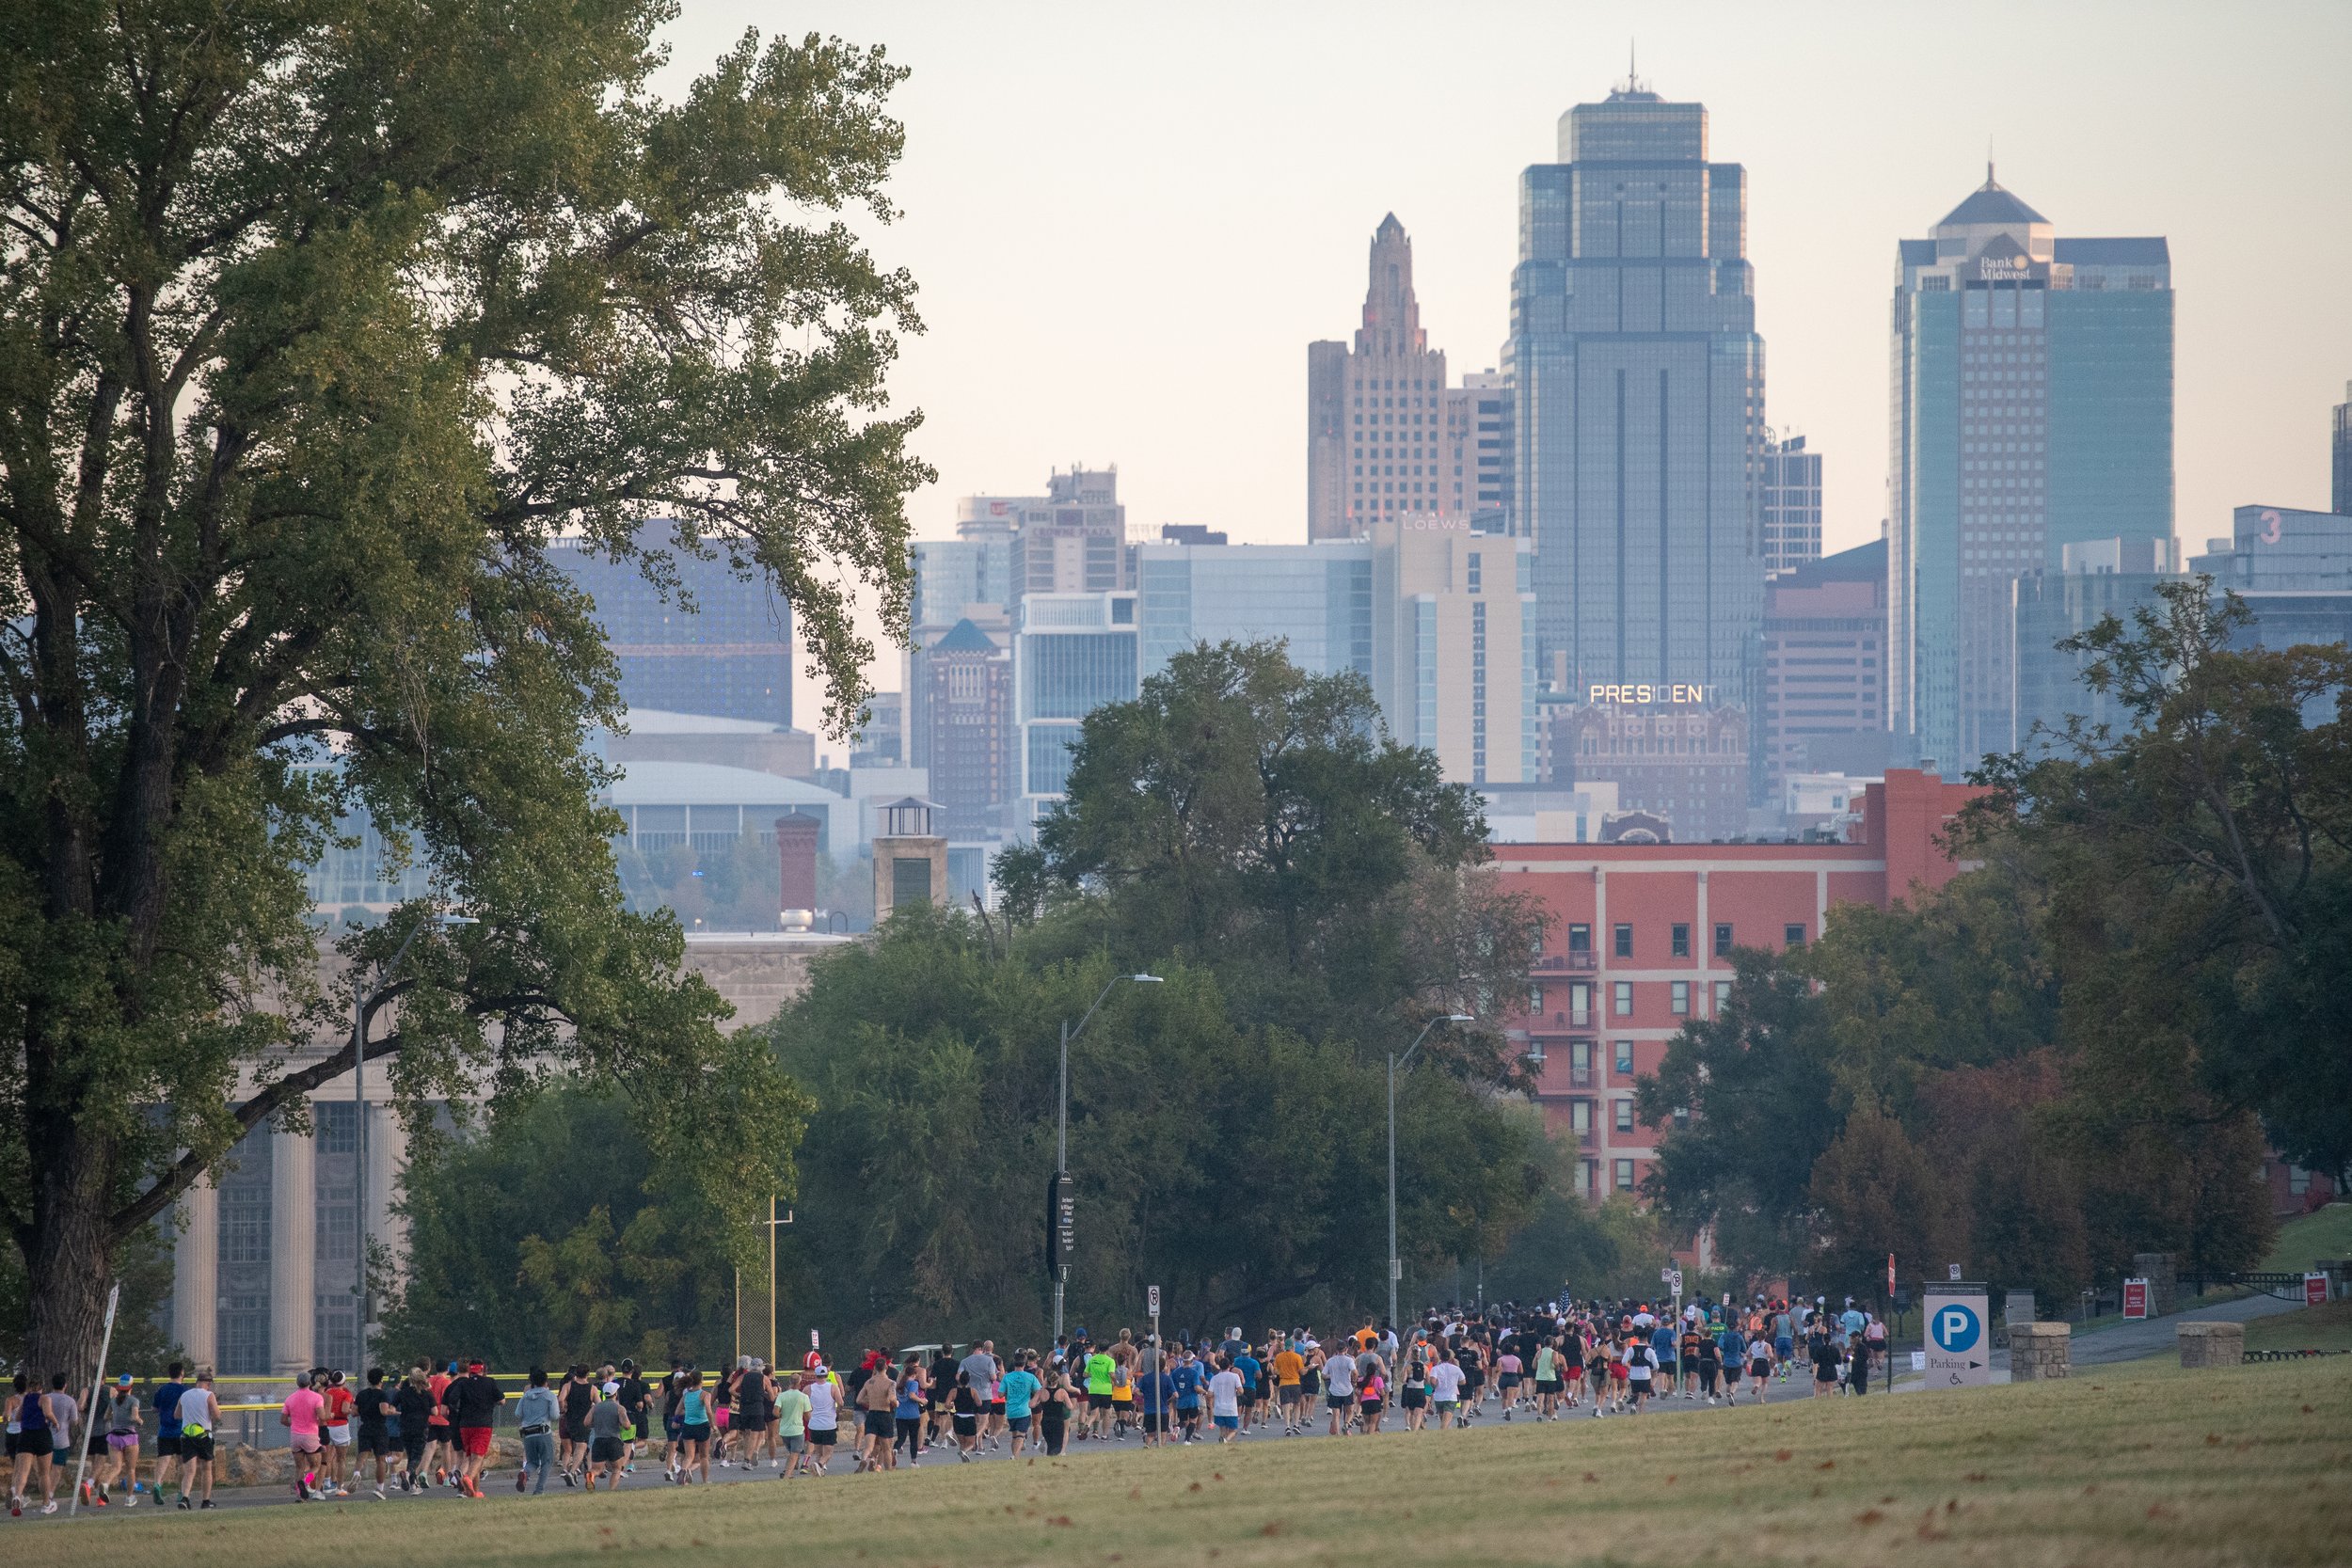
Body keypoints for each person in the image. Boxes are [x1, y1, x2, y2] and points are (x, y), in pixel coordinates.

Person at [444, 1359, 504, 1497]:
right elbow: (502, 1400)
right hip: (483, 1424)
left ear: (471, 1371)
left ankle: (474, 1492)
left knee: (470, 1457)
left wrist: (459, 1409)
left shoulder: (464, 1383)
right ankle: (468, 1478)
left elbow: (452, 1400)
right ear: (483, 1371)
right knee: (478, 1457)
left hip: (465, 1425)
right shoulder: (489, 1382)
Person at [173, 1370, 220, 1511]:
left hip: (187, 1435)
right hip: (203, 1435)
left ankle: (185, 1498)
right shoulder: (209, 1395)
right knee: (206, 1469)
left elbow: (177, 1415)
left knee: (190, 1471)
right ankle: (205, 1501)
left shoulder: (184, 1395)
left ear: (196, 1382)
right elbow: (217, 1415)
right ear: (208, 1383)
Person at [96, 1373, 141, 1507]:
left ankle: (105, 1484)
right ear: (131, 1386)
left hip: (114, 1436)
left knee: (116, 1467)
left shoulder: (113, 1401)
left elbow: (105, 1417)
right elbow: (134, 1417)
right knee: (131, 1469)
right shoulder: (134, 1400)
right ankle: (129, 1498)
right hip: (129, 1437)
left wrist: (117, 1416)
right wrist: (140, 1420)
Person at [281, 1369, 327, 1500]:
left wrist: (295, 1423)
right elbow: (322, 1416)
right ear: (310, 1383)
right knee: (316, 1466)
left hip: (295, 1436)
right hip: (311, 1435)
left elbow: (283, 1420)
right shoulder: (316, 1397)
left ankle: (299, 1495)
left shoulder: (290, 1399)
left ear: (297, 1383)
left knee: (299, 1467)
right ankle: (306, 1481)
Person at [512, 1368, 559, 1495]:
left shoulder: (526, 1396)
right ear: (546, 1381)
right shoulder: (550, 1396)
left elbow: (517, 1413)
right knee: (547, 1462)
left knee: (532, 1461)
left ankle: (525, 1473)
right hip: (543, 1432)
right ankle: (539, 1490)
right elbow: (555, 1415)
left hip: (527, 1433)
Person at [354, 1368, 398, 1497]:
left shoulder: (361, 1394)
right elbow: (384, 1411)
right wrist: (393, 1412)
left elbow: (354, 1412)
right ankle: (380, 1488)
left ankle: (356, 1473)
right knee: (381, 1459)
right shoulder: (382, 1394)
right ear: (380, 1380)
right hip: (379, 1427)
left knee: (362, 1454)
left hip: (365, 1427)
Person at [392, 1368, 435, 1492]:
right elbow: (435, 1411)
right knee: (417, 1457)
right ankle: (407, 1473)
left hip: (405, 1427)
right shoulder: (427, 1394)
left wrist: (402, 1412)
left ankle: (413, 1485)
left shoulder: (402, 1393)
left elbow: (392, 1408)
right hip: (421, 1428)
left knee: (411, 1455)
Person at [584, 1382, 628, 1492]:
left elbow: (586, 1423)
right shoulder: (619, 1408)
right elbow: (627, 1425)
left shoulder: (596, 1407)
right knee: (617, 1468)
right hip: (614, 1440)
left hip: (598, 1441)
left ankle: (591, 1476)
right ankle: (611, 1491)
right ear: (615, 1394)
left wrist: (597, 1424)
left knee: (597, 1469)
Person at [674, 1370, 714, 1483]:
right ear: (702, 1381)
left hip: (688, 1426)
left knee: (689, 1456)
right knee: (704, 1456)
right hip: (702, 1425)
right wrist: (712, 1424)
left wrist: (689, 1412)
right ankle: (705, 1480)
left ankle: (683, 1471)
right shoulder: (705, 1394)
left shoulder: (686, 1395)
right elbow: (709, 1411)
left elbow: (677, 1412)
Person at [1000, 1352, 1041, 1458]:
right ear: (1025, 1363)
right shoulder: (1030, 1377)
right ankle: (1014, 1455)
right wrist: (1034, 1400)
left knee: (1015, 1436)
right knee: (1020, 1435)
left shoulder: (1007, 1377)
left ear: (1014, 1363)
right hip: (1024, 1410)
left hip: (1011, 1411)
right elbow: (1039, 1391)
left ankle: (1016, 1458)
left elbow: (1000, 1394)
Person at [773, 1369, 811, 1480]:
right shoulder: (803, 1397)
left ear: (790, 1382)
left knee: (792, 1452)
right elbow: (808, 1416)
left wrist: (782, 1415)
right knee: (795, 1453)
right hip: (797, 1429)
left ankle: (787, 1470)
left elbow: (775, 1412)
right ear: (800, 1383)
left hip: (784, 1430)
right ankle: (787, 1475)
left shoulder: (782, 1396)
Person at [802, 1365, 840, 1474]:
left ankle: (819, 1472)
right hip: (828, 1424)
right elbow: (841, 1402)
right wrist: (837, 1412)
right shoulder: (832, 1387)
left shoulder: (808, 1389)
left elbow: (803, 1404)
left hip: (814, 1424)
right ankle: (819, 1465)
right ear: (826, 1375)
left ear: (815, 1375)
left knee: (818, 1452)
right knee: (828, 1453)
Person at [1169, 1345, 1204, 1444]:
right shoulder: (1194, 1372)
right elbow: (1197, 1387)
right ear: (1192, 1360)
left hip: (1180, 1401)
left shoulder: (1176, 1372)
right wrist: (1204, 1392)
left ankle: (1177, 1428)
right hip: (1192, 1400)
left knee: (1183, 1421)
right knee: (1193, 1420)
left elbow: (1173, 1386)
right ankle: (1187, 1440)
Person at [1206, 1355, 1244, 1444]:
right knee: (1233, 1430)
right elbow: (1241, 1391)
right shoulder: (1235, 1376)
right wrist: (1236, 1392)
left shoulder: (1214, 1378)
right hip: (1231, 1408)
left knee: (1222, 1430)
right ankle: (1226, 1441)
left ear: (1219, 1366)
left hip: (1219, 1408)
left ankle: (1222, 1442)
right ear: (1229, 1366)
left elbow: (1210, 1394)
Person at [1036, 1370, 1072, 1457]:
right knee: (1057, 1444)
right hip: (1058, 1420)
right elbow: (1070, 1406)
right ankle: (1053, 1458)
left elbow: (1031, 1404)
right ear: (1057, 1380)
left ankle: (1049, 1457)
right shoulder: (1062, 1392)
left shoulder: (1042, 1392)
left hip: (1046, 1420)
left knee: (1050, 1442)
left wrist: (1039, 1401)